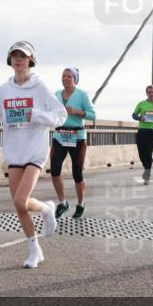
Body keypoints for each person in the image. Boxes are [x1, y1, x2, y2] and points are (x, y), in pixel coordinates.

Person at [0, 41, 68, 268]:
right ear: (10, 60)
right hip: (14, 152)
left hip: (35, 152)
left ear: (31, 60)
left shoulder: (40, 87)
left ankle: (48, 210)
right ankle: (34, 249)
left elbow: (61, 115)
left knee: (21, 200)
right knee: (20, 206)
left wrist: (36, 115)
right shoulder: (4, 90)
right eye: (14, 55)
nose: (18, 59)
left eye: (23, 55)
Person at [50, 67, 96, 219]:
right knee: (55, 170)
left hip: (77, 136)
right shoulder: (56, 94)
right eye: (63, 76)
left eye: (69, 76)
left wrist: (77, 111)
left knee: (77, 173)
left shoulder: (82, 95)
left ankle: (80, 204)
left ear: (75, 79)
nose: (65, 78)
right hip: (59, 135)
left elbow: (93, 115)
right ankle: (62, 203)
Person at [132, 85, 153, 185]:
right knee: (141, 153)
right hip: (141, 130)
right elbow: (134, 115)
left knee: (148, 153)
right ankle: (147, 167)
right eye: (149, 92)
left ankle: (147, 173)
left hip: (152, 131)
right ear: (146, 93)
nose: (150, 94)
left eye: (152, 92)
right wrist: (140, 118)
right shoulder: (141, 104)